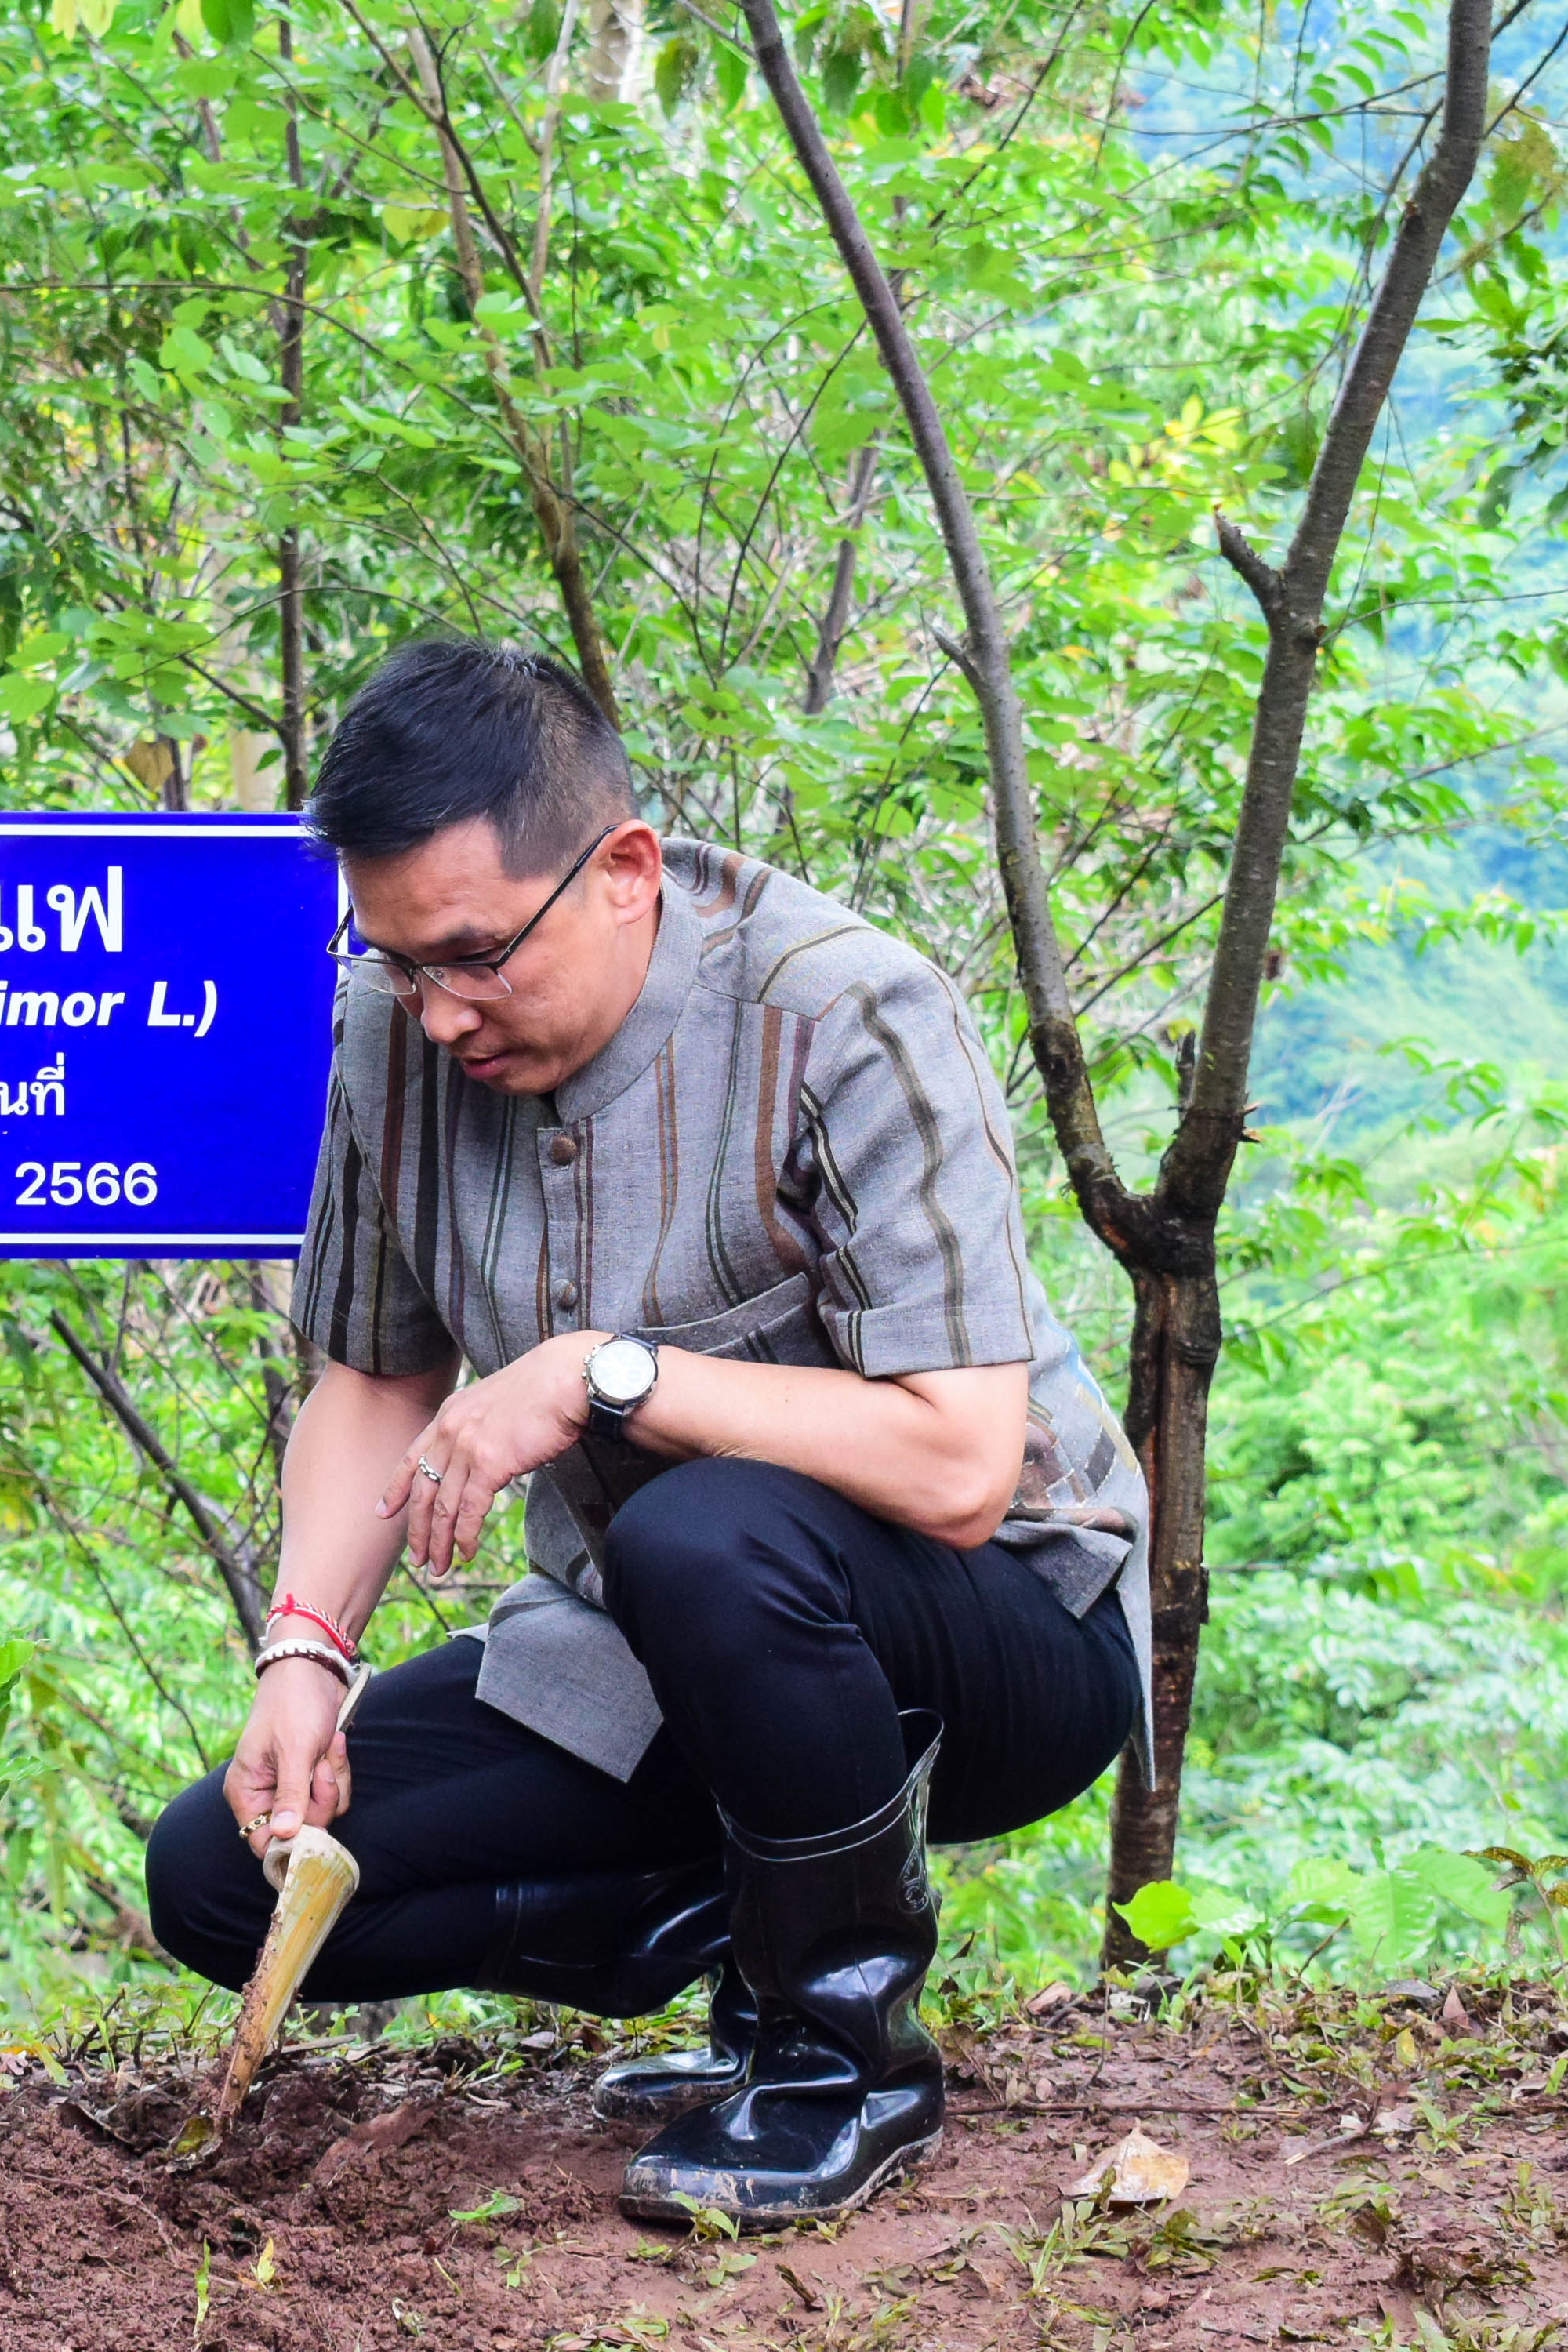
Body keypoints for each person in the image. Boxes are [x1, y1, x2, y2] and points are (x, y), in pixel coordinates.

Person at [141, 637, 1154, 2226]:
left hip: (1007, 1633)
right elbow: (375, 1380)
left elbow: (962, 1464)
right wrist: (301, 1652)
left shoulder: (844, 1016)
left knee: (707, 1524)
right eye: (400, 962)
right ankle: (722, 1910)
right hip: (657, 1649)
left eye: (473, 957)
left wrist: (601, 1375)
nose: (436, 1017)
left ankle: (839, 2062)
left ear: (621, 871)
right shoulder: (387, 1045)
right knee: (214, 1881)